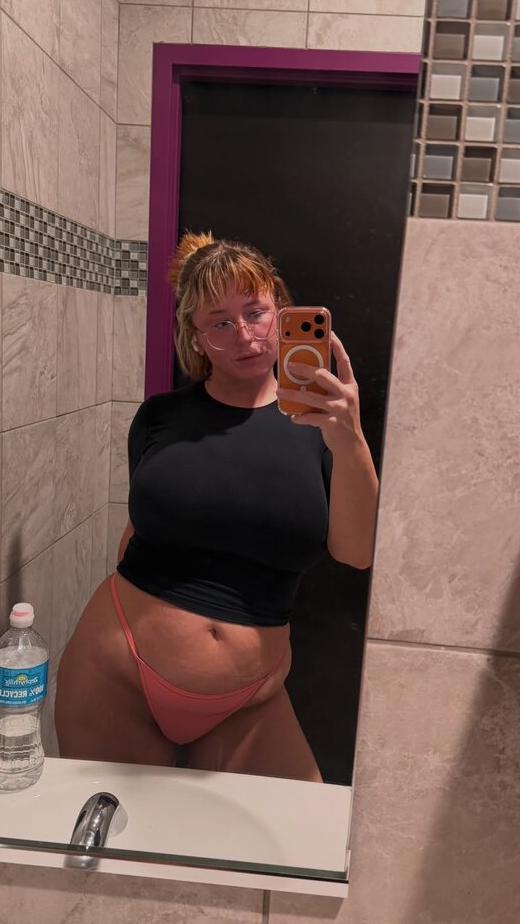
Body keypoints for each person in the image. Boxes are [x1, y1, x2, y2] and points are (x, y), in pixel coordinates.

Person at [55, 232, 379, 781]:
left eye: (255, 313)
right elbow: (139, 533)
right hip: (116, 672)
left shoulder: (325, 427)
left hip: (250, 699)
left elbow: (358, 552)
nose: (245, 336)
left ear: (281, 311)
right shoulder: (159, 418)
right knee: (115, 835)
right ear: (196, 337)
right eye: (220, 323)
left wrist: (350, 438)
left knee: (298, 832)